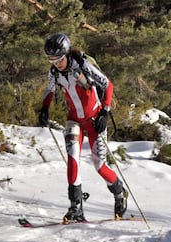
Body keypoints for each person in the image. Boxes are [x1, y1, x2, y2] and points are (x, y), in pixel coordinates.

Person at [38, 33, 128, 223]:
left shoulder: (82, 65)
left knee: (99, 166)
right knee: (73, 160)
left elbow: (107, 84)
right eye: (51, 59)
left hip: (95, 119)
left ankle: (119, 191)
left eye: (59, 59)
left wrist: (105, 111)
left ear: (66, 54)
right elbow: (49, 90)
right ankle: (76, 207)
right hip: (74, 120)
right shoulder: (54, 72)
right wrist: (45, 108)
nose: (56, 63)